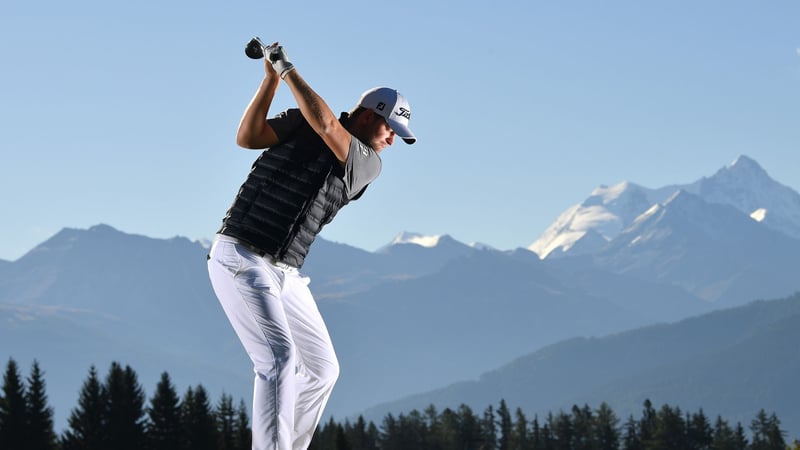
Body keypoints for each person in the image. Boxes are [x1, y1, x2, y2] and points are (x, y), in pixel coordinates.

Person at [206, 42, 416, 450]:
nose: (392, 138)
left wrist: (287, 69)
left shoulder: (367, 162)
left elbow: (327, 128)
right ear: (370, 114)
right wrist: (270, 80)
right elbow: (248, 136)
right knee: (279, 361)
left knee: (322, 369)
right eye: (391, 127)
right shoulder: (306, 122)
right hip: (241, 256)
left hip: (284, 271)